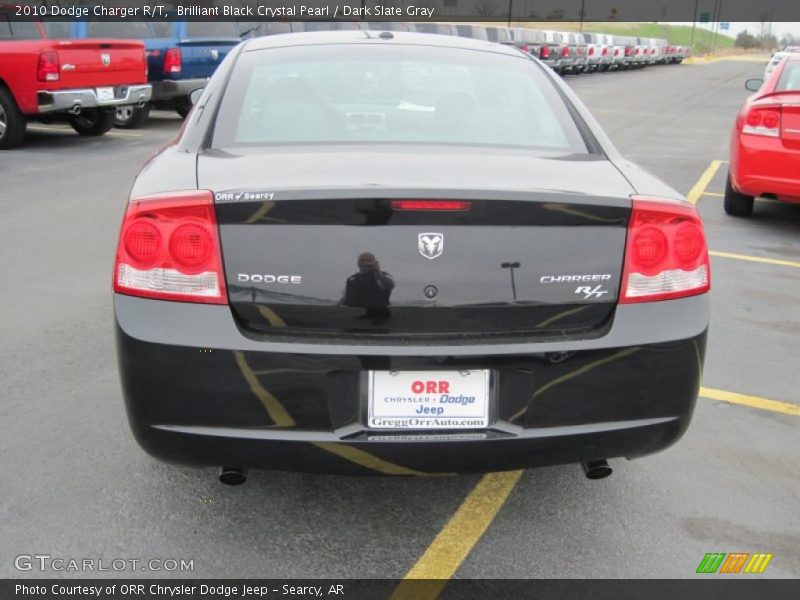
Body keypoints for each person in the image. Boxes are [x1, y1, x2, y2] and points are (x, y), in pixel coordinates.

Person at [342, 252, 395, 321]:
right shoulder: (351, 279)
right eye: (362, 261)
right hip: (357, 316)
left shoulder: (382, 276)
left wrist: (378, 272)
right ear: (358, 263)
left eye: (368, 261)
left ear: (375, 262)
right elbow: (344, 297)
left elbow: (390, 285)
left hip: (381, 317)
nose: (365, 263)